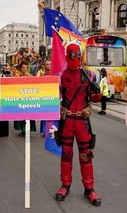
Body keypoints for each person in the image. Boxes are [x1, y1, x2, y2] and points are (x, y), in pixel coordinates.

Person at [54, 41, 102, 206]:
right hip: (67, 122)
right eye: (72, 54)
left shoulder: (89, 75)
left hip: (82, 122)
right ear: (67, 55)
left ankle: (89, 188)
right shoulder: (61, 76)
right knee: (66, 155)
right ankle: (65, 185)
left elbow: (95, 98)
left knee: (86, 155)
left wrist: (97, 92)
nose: (75, 57)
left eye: (78, 54)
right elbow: (53, 96)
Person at [13, 60, 35, 137]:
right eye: (23, 67)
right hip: (20, 98)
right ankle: (23, 130)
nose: (25, 69)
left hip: (28, 98)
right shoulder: (17, 77)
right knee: (21, 115)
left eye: (26, 68)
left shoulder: (30, 76)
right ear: (20, 68)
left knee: (28, 115)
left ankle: (27, 130)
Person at [37, 60, 51, 136]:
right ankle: (45, 131)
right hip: (45, 97)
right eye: (47, 64)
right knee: (45, 115)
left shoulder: (56, 75)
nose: (49, 65)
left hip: (53, 97)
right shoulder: (42, 76)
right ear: (44, 66)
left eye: (50, 64)